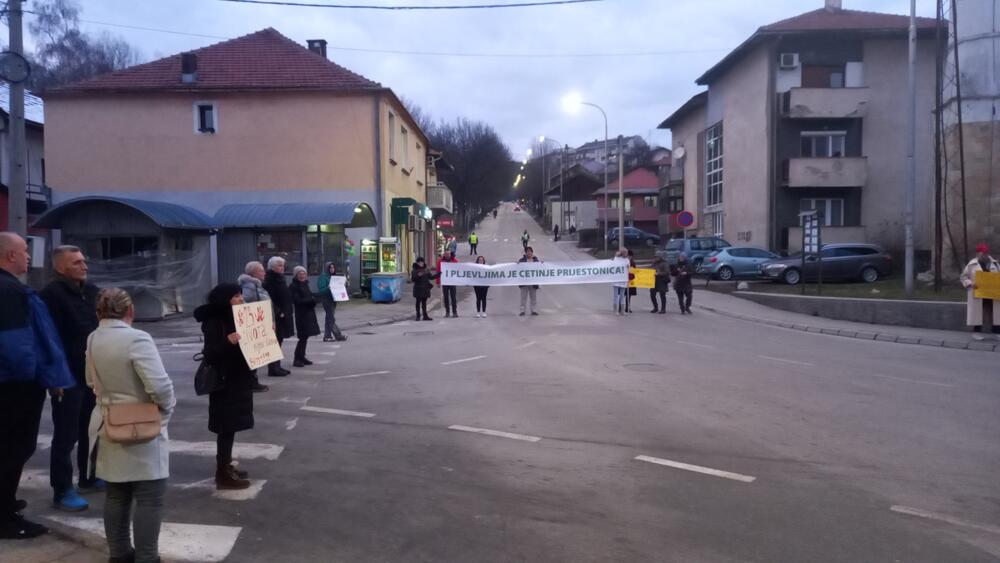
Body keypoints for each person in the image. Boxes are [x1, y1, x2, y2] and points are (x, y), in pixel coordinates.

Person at [86, 288, 175, 563]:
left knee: (117, 493)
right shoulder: (137, 338)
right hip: (141, 424)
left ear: (99, 311)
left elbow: (91, 381)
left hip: (107, 421)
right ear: (131, 311)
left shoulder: (93, 338)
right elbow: (159, 385)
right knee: (150, 496)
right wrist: (166, 408)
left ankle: (120, 554)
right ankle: (147, 557)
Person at [0, 232, 75, 540]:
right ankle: (4, 517)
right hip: (14, 385)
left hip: (11, 382)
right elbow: (17, 344)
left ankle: (5, 503)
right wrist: (41, 378)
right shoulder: (9, 291)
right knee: (13, 449)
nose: (29, 256)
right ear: (9, 256)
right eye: (24, 251)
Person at [40, 245, 101, 513]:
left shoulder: (91, 291)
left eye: (84, 261)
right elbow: (47, 338)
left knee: (93, 428)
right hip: (66, 376)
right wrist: (54, 377)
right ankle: (62, 489)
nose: (84, 266)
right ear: (60, 267)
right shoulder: (51, 295)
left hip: (92, 374)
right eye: (77, 262)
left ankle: (88, 475)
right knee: (67, 435)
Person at [194, 283, 254, 491]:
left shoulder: (238, 316)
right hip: (224, 382)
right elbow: (210, 354)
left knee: (233, 425)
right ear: (225, 299)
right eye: (236, 296)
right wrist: (228, 342)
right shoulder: (215, 321)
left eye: (240, 295)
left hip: (238, 378)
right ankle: (223, 473)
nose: (241, 299)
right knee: (226, 427)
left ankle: (227, 465)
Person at [236, 262, 271, 392]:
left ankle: (252, 381)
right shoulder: (250, 285)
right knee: (253, 356)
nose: (264, 273)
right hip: (252, 326)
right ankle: (251, 382)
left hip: (258, 324)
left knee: (256, 355)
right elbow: (242, 302)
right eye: (261, 271)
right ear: (253, 273)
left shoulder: (256, 284)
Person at [262, 257, 294, 377]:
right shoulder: (270, 280)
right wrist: (279, 311)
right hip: (276, 316)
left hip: (283, 314)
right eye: (279, 265)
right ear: (272, 267)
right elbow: (269, 299)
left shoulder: (280, 279)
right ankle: (273, 368)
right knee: (274, 342)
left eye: (282, 265)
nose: (282, 267)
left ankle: (277, 366)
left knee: (279, 340)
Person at [960, 243, 1000, 340]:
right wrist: (970, 283)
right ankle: (976, 332)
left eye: (985, 252)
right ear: (977, 253)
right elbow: (963, 277)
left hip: (992, 293)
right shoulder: (971, 264)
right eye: (982, 253)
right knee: (979, 313)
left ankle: (997, 331)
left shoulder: (995, 263)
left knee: (995, 312)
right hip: (978, 293)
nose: (984, 255)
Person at [289, 266, 320, 367]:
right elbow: (297, 301)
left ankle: (302, 356)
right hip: (301, 314)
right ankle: (297, 358)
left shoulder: (305, 284)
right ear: (296, 275)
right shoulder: (294, 286)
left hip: (309, 313)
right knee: (302, 337)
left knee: (305, 337)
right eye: (300, 274)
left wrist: (314, 300)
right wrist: (311, 300)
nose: (302, 276)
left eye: (304, 274)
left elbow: (310, 296)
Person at [317, 262, 347, 342]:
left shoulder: (334, 277)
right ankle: (338, 335)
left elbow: (338, 288)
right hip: (327, 300)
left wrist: (342, 285)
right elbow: (321, 290)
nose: (332, 269)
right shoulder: (323, 277)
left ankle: (327, 336)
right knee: (331, 318)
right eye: (330, 268)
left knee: (328, 318)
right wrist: (328, 288)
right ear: (327, 268)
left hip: (333, 299)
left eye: (333, 267)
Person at [518, 247, 541, 317]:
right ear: (525, 253)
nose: (529, 253)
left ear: (532, 252)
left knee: (533, 298)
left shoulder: (536, 260)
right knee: (523, 298)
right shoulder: (521, 261)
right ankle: (522, 311)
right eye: (527, 251)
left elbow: (540, 268)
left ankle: (533, 310)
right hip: (524, 283)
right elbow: (517, 269)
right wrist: (517, 264)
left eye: (530, 251)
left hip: (533, 283)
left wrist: (542, 264)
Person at [438, 250, 459, 318]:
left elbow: (458, 270)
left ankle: (454, 312)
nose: (447, 255)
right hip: (445, 282)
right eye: (446, 253)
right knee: (446, 297)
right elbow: (438, 271)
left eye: (449, 253)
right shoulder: (441, 261)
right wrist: (438, 282)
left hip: (452, 282)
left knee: (453, 298)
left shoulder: (454, 261)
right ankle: (447, 312)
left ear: (450, 254)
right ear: (444, 254)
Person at [612, 249, 629, 316]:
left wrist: (628, 267)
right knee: (615, 295)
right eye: (625, 253)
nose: (626, 254)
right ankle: (615, 310)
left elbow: (628, 268)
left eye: (627, 253)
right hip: (616, 279)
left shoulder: (627, 260)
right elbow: (612, 266)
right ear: (622, 253)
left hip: (623, 279)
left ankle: (622, 310)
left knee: (622, 295)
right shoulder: (616, 259)